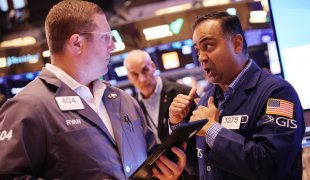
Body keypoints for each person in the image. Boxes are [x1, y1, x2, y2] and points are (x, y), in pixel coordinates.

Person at [0, 1, 186, 179]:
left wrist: (166, 172)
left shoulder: (123, 100)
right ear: (77, 42)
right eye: (106, 37)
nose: (112, 46)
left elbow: (151, 158)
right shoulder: (28, 106)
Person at [169, 11, 305, 179]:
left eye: (208, 46)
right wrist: (177, 125)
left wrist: (213, 130)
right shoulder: (206, 100)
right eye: (197, 50)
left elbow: (271, 165)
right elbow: (197, 166)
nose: (201, 58)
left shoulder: (277, 93)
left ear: (237, 44)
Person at [124, 49, 196, 144]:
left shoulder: (183, 92)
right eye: (134, 74)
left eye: (145, 70)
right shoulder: (131, 106)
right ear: (129, 78)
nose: (142, 79)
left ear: (153, 66)